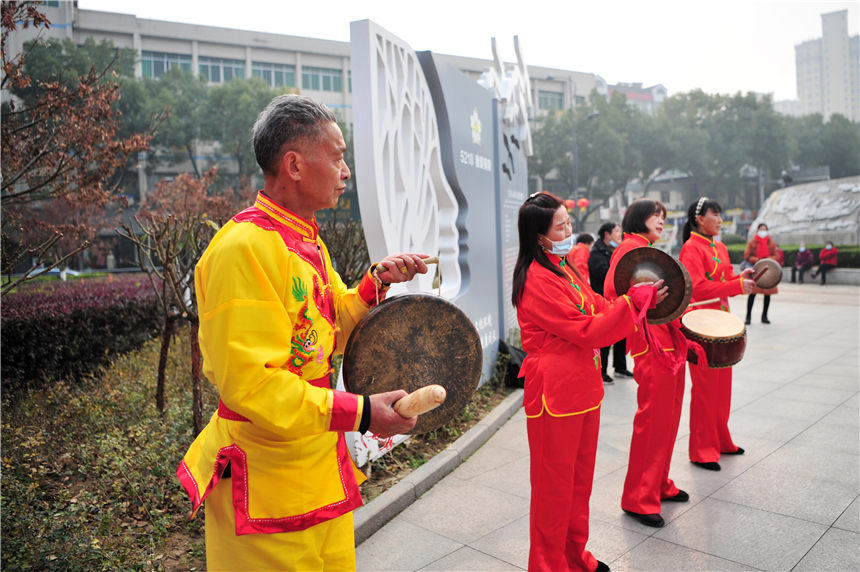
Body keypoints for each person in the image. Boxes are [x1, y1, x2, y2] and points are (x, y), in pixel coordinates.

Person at [176, 94, 430, 571]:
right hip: (265, 478)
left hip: (315, 464)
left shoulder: (306, 238)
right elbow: (253, 385)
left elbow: (327, 328)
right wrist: (360, 412)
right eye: (337, 157)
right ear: (294, 165)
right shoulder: (243, 249)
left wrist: (374, 285)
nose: (346, 171)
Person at [512, 191, 665, 572]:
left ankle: (574, 557)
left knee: (578, 487)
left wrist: (632, 298)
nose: (569, 230)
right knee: (553, 492)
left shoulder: (564, 267)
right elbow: (585, 330)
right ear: (539, 236)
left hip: (582, 388)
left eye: (568, 222)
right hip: (554, 394)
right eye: (561, 225)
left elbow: (597, 305)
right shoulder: (536, 280)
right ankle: (548, 566)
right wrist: (632, 304)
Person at [603, 199, 689, 528]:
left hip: (668, 343)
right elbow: (614, 295)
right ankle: (638, 498)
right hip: (649, 345)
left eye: (664, 216)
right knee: (653, 422)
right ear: (639, 218)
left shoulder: (647, 248)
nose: (661, 221)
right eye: (656, 215)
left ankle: (659, 483)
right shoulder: (628, 250)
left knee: (667, 420)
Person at [679, 197, 755, 471]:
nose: (721, 220)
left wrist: (740, 278)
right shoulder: (691, 247)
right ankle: (702, 450)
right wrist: (736, 285)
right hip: (701, 326)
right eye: (716, 214)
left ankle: (722, 440)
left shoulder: (719, 246)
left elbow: (724, 281)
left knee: (723, 388)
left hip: (722, 322)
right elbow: (697, 288)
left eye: (722, 214)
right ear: (700, 218)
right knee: (705, 389)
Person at [588, 222, 632, 384]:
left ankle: (620, 366)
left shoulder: (613, 250)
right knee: (605, 337)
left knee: (621, 334)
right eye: (616, 231)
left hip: (617, 299)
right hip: (602, 300)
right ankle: (602, 370)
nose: (619, 234)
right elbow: (603, 274)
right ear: (606, 234)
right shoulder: (597, 253)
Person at [742, 223, 779, 325]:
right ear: (757, 231)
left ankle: (764, 316)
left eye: (765, 229)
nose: (763, 231)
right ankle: (748, 316)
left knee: (767, 295)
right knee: (752, 294)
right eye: (761, 229)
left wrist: (767, 259)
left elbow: (776, 256)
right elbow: (747, 255)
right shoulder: (752, 242)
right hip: (756, 270)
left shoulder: (772, 243)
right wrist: (758, 260)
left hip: (768, 271)